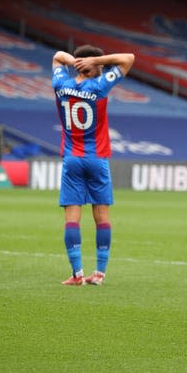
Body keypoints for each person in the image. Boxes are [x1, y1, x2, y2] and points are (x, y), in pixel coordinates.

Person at [52, 45, 135, 285]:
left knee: (72, 217)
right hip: (97, 158)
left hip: (72, 158)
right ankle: (98, 273)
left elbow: (57, 57)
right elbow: (128, 58)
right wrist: (93, 60)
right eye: (98, 65)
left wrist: (76, 61)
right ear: (92, 65)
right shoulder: (99, 86)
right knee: (102, 217)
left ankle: (77, 273)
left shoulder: (61, 85)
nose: (101, 67)